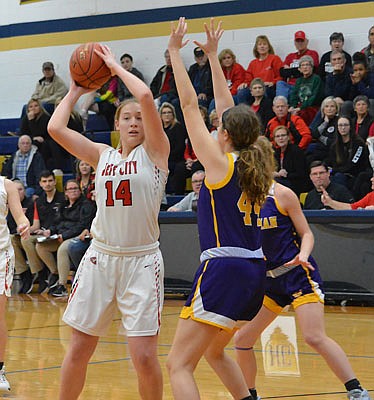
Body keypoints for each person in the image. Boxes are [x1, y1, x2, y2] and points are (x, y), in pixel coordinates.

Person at [48, 42, 169, 400]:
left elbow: (146, 95)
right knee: (79, 349)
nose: (134, 122)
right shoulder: (102, 155)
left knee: (144, 357)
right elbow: (56, 127)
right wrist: (74, 90)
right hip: (100, 257)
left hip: (142, 261)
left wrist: (114, 68)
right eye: (126, 118)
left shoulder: (156, 153)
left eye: (138, 118)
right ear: (116, 124)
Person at [167, 18, 274, 400]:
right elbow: (226, 108)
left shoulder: (219, 165)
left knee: (178, 365)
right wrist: (213, 58)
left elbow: (189, 105)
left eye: (219, 127)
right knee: (214, 350)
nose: (216, 126)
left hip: (223, 268)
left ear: (224, 135)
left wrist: (175, 55)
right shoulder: (253, 162)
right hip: (254, 270)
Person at [232, 179, 372, 400]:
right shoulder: (240, 200)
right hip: (268, 281)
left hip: (297, 274)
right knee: (242, 340)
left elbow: (307, 233)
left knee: (313, 336)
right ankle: (250, 395)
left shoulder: (282, 194)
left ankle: (356, 390)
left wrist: (303, 254)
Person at [35, 179, 96, 297]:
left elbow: (82, 225)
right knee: (41, 246)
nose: (73, 191)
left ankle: (62, 286)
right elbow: (56, 222)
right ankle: (55, 272)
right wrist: (50, 231)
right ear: (66, 192)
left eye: (75, 188)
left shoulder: (86, 205)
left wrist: (64, 236)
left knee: (63, 248)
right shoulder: (63, 205)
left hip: (76, 236)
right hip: (60, 236)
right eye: (70, 189)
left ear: (80, 191)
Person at [0, 177, 30, 392]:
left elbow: (19, 215)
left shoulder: (6, 185)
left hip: (0, 255)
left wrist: (23, 223)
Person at [22, 170, 65, 294]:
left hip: (58, 234)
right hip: (43, 235)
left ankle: (53, 273)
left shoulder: (63, 198)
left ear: (55, 181)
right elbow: (36, 224)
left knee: (39, 245)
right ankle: (40, 273)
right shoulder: (39, 201)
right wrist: (25, 230)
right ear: (40, 184)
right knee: (25, 239)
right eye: (44, 181)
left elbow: (65, 219)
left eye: (50, 181)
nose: (48, 184)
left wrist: (51, 230)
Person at [328, 115, 370, 192]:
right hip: (340, 174)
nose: (343, 128)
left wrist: (334, 170)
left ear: (350, 126)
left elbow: (353, 164)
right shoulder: (334, 146)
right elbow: (333, 163)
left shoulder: (358, 143)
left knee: (338, 177)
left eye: (346, 125)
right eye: (340, 125)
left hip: (356, 175)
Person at [6, 180, 34, 294]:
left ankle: (37, 272)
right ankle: (23, 272)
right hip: (17, 235)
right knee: (11, 239)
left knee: (26, 240)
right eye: (15, 190)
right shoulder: (9, 204)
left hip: (34, 233)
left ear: (25, 191)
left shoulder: (32, 203)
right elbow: (9, 226)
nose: (17, 192)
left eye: (20, 189)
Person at [237, 35, 283, 103]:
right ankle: (245, 113)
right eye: (259, 44)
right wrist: (245, 84)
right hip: (255, 88)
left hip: (269, 88)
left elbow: (281, 76)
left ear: (268, 47)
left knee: (264, 91)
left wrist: (272, 82)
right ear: (256, 48)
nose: (262, 46)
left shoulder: (274, 59)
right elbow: (248, 79)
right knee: (241, 92)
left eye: (264, 44)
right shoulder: (253, 63)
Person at [276, 30, 319, 99]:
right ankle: (281, 104)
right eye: (297, 41)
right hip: (289, 85)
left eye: (302, 41)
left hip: (303, 84)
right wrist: (296, 71)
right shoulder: (290, 56)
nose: (300, 43)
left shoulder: (312, 54)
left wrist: (290, 72)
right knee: (280, 83)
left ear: (307, 42)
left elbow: (312, 70)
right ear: (294, 43)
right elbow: (282, 72)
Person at [272, 125, 310, 197]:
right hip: (283, 181)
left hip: (297, 183)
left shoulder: (296, 151)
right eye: (277, 136)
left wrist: (285, 175)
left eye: (283, 135)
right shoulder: (276, 152)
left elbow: (301, 173)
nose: (281, 138)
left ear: (288, 137)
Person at [159, 102, 187, 194]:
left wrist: (165, 157)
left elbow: (180, 148)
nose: (166, 115)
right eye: (164, 113)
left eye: (169, 112)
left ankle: (177, 195)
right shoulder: (158, 130)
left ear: (173, 114)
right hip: (162, 160)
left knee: (178, 168)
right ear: (161, 115)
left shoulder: (178, 127)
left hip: (176, 159)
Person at [289, 55, 324, 125]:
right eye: (303, 65)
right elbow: (294, 95)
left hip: (312, 107)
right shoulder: (299, 80)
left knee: (302, 114)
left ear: (312, 67)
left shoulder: (316, 79)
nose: (305, 67)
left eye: (307, 65)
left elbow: (314, 96)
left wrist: (300, 108)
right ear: (300, 69)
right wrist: (293, 106)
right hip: (299, 107)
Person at [308, 96, 340, 163]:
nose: (329, 109)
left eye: (332, 106)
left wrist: (319, 137)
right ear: (323, 109)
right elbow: (314, 135)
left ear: (336, 109)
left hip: (332, 151)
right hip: (320, 149)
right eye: (327, 106)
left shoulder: (339, 121)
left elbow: (332, 142)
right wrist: (325, 123)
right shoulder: (321, 120)